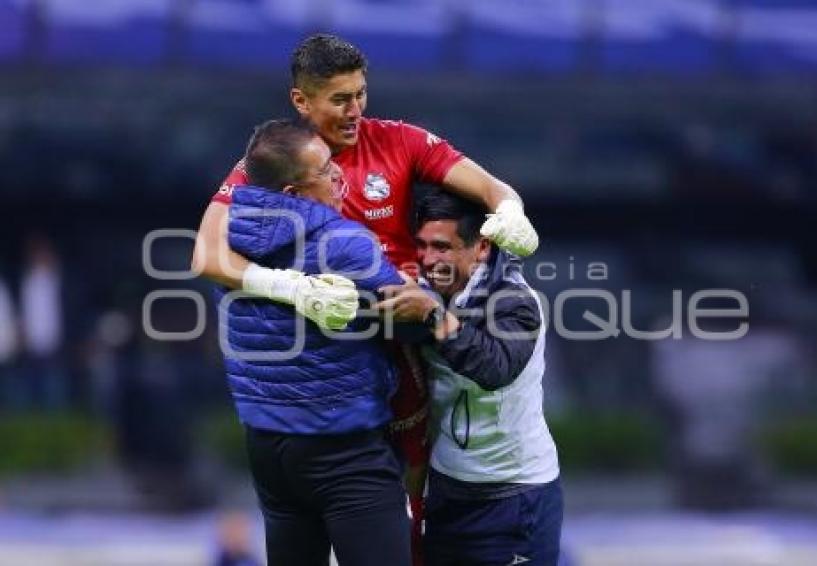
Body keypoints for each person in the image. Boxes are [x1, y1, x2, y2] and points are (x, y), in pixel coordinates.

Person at [192, 33, 541, 550]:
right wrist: (295, 289)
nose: (355, 110)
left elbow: (494, 189)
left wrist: (511, 210)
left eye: (361, 94)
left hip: (401, 345)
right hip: (323, 371)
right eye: (339, 99)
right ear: (301, 101)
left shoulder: (400, 141)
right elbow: (206, 256)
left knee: (419, 491)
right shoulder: (271, 162)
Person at [218, 118, 411, 566]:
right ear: (293, 196)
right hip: (344, 448)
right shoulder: (344, 242)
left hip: (268, 449)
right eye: (325, 170)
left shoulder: (227, 245)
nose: (341, 174)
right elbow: (408, 321)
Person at [377, 190, 563, 566]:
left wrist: (433, 317)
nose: (429, 260)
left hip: (514, 496)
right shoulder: (429, 290)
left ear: (481, 248)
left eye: (442, 247)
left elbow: (494, 368)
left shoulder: (515, 301)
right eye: (422, 246)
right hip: (448, 492)